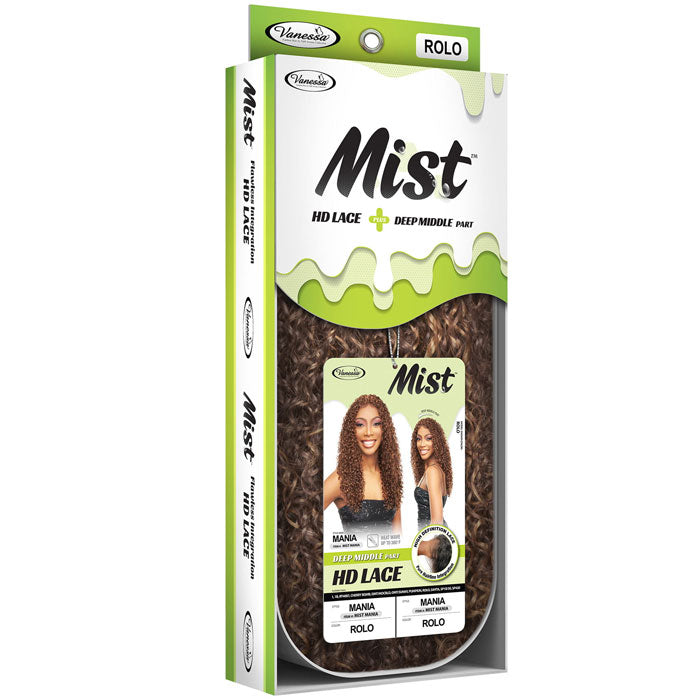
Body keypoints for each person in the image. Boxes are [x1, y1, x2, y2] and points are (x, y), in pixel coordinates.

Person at [323, 394, 402, 534]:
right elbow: (303, 519)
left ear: (385, 429)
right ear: (351, 431)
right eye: (360, 424)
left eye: (376, 423)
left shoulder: (390, 476)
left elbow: (398, 535)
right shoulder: (340, 479)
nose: (369, 432)